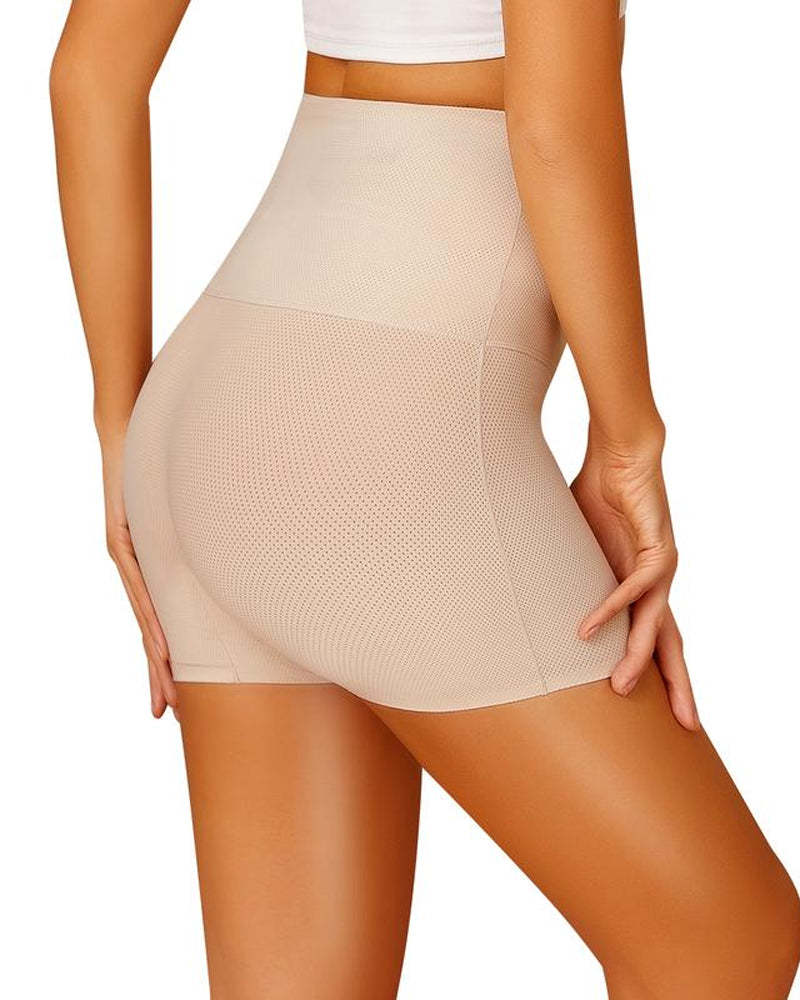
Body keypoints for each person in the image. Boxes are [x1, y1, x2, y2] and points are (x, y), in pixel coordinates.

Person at [50, 1, 800, 997]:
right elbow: (552, 126)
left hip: (210, 401)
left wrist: (121, 426)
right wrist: (627, 442)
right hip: (382, 432)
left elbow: (90, 75)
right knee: (721, 943)